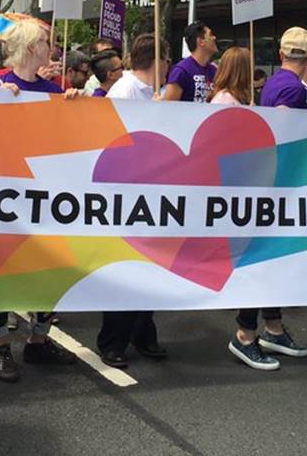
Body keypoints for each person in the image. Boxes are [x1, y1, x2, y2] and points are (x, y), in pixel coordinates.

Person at [0, 20, 75, 381]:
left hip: (45, 193)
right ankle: (0, 346)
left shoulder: (54, 89)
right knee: (1, 270)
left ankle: (39, 340)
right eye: (46, 41)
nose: (51, 46)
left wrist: (77, 106)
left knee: (49, 266)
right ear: (30, 47)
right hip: (5, 194)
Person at [229, 27, 307, 371]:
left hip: (271, 182)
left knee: (273, 258)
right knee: (266, 259)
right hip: (279, 184)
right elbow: (284, 130)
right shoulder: (293, 89)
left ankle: (272, 327)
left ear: (282, 55)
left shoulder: (273, 84)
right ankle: (244, 333)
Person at [97, 34, 170, 368]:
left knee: (150, 268)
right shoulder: (124, 92)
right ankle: (113, 340)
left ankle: (143, 333)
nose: (169, 67)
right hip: (128, 193)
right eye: (167, 60)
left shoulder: (155, 94)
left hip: (152, 192)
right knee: (127, 268)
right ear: (157, 60)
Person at [162, 21, 217, 102]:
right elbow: (168, 107)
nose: (214, 38)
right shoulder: (181, 71)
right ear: (201, 41)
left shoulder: (214, 71)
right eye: (210, 34)